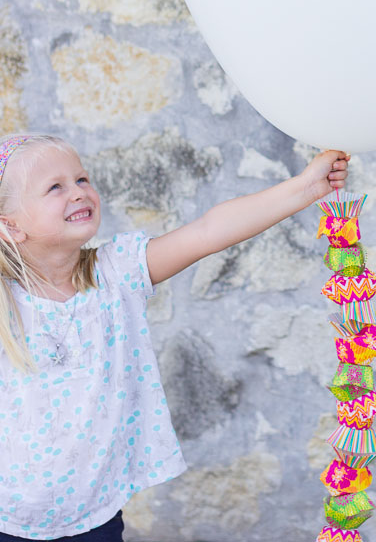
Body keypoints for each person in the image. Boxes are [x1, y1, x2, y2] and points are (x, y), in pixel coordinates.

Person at [0, 133, 349, 541]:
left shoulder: (116, 275)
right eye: (54, 187)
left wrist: (306, 187)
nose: (78, 193)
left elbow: (208, 231)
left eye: (81, 179)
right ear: (11, 226)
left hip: (94, 515)